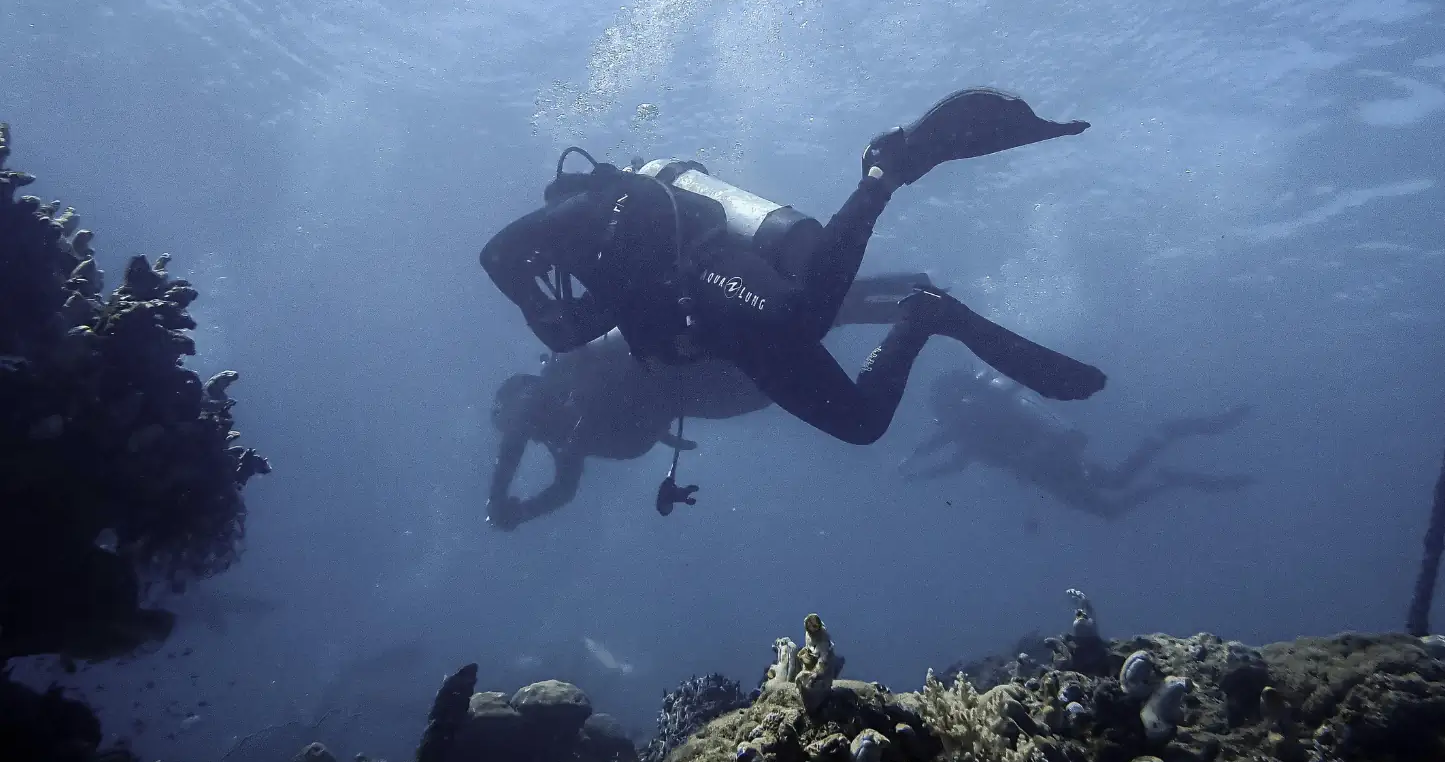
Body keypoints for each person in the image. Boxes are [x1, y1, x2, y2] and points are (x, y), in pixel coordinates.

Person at [480, 88, 1107, 509]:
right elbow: (601, 328)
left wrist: (534, 308)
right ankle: (925, 315)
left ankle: (884, 170)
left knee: (801, 313)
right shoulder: (595, 282)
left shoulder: (578, 215)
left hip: (712, 268)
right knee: (859, 424)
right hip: (724, 332)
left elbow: (498, 255)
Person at [487, 273, 934, 529]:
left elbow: (523, 434)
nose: (523, 427)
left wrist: (499, 502)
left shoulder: (563, 369)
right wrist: (520, 510)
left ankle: (913, 302)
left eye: (518, 419)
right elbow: (563, 489)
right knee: (806, 330)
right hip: (713, 387)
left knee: (802, 322)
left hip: (704, 365)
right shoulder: (571, 437)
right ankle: (914, 306)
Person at [901, 366, 1255, 519]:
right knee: (1112, 493)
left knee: (1111, 502)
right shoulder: (970, 421)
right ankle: (1171, 451)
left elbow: (957, 457)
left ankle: (1171, 461)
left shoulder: (974, 421)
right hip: (1048, 464)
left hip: (1051, 461)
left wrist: (919, 474)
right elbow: (953, 449)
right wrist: (918, 465)